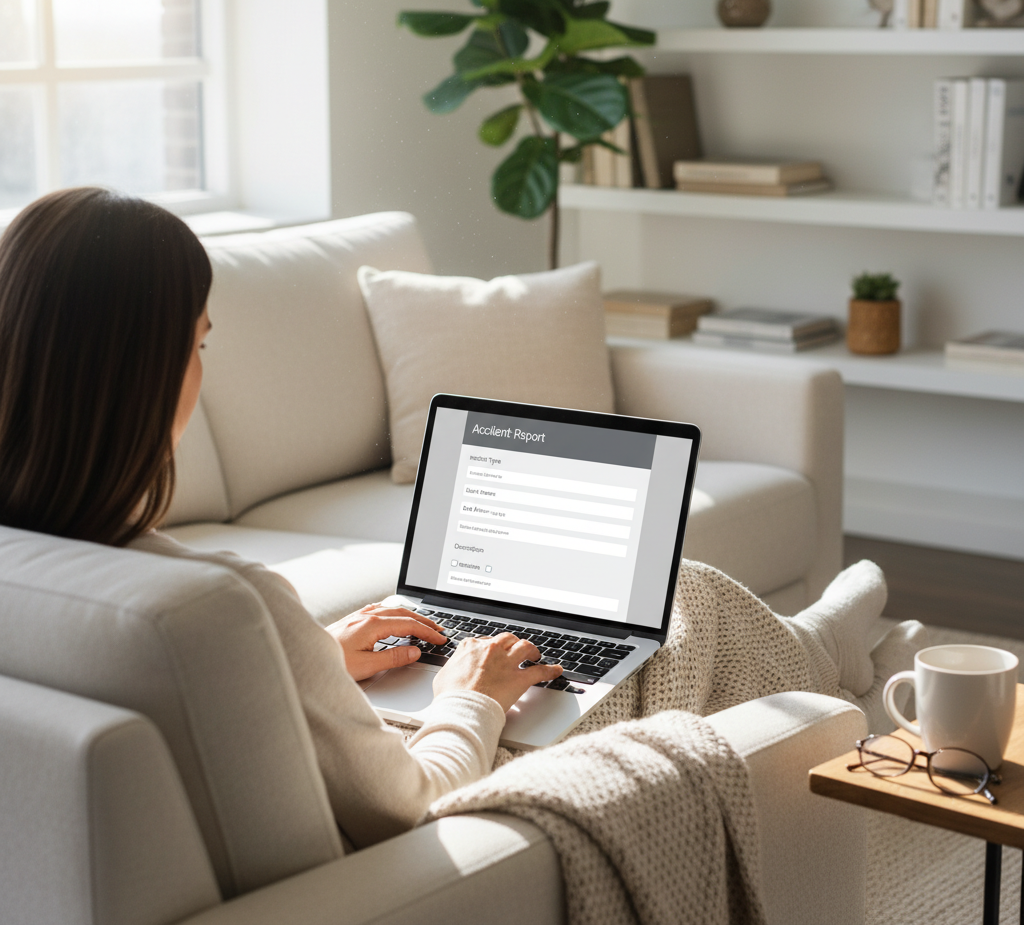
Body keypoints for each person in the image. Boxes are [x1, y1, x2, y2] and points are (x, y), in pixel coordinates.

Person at [0, 186, 923, 852]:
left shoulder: (62, 567)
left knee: (619, 621)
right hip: (416, 852)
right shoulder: (225, 601)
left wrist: (320, 652)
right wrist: (474, 695)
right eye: (199, 344)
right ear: (146, 370)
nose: (205, 372)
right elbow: (413, 805)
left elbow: (229, 692)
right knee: (675, 613)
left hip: (312, 751)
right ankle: (822, 660)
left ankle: (815, 650)